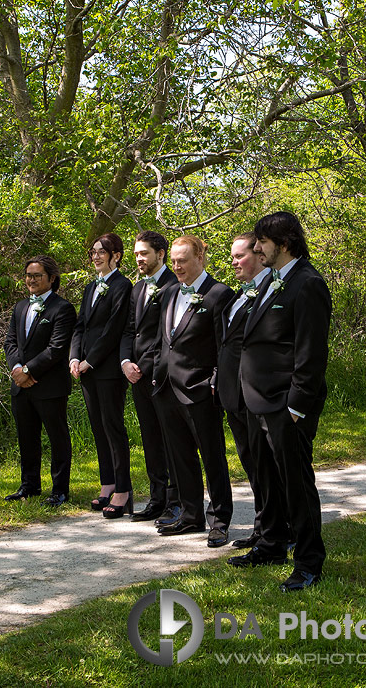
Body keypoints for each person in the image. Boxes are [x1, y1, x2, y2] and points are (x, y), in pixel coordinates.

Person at [234, 211, 331, 591]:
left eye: (262, 242)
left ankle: (308, 562)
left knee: (296, 485)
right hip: (258, 401)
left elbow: (311, 353)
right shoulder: (276, 281)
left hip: (286, 406)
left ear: (284, 243)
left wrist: (295, 406)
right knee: (269, 482)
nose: (257, 248)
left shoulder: (307, 284)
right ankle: (271, 544)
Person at [153, 234, 234, 547]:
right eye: (173, 261)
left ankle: (220, 520)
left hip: (200, 391)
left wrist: (213, 383)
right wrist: (157, 378)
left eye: (183, 260)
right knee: (180, 456)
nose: (177, 266)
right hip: (166, 389)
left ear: (201, 257)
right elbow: (165, 340)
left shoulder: (218, 294)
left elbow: (224, 347)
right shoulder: (170, 292)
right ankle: (190, 515)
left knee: (212, 457)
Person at [216, 232, 289, 552]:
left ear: (260, 256)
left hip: (257, 394)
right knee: (252, 466)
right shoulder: (238, 295)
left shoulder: (271, 293)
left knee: (268, 467)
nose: (233, 262)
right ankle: (263, 528)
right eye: (231, 257)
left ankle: (278, 531)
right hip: (233, 394)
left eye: (239, 256)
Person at [119, 231, 182, 524]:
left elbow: (166, 336)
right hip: (137, 375)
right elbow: (130, 329)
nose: (139, 259)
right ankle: (157, 499)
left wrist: (143, 365)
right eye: (136, 254)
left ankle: (176, 500)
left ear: (160, 253)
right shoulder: (137, 288)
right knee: (150, 438)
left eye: (144, 253)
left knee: (171, 440)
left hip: (162, 374)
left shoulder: (174, 285)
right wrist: (126, 361)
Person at [2, 256, 76, 505]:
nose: (31, 280)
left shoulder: (62, 308)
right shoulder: (20, 307)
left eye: (37, 275)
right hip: (21, 386)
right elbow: (10, 342)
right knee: (27, 437)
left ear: (51, 278)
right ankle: (29, 486)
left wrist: (29, 371)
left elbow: (56, 349)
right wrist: (17, 370)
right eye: (28, 275)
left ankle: (60, 491)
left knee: (57, 438)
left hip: (50, 385)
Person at [70, 234, 134, 516]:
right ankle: (107, 483)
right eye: (93, 252)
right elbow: (80, 325)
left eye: (101, 252)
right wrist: (74, 357)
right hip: (84, 369)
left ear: (116, 255)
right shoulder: (90, 287)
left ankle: (124, 490)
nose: (95, 256)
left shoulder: (122, 286)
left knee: (113, 427)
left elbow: (113, 330)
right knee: (97, 426)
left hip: (107, 370)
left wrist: (90, 361)